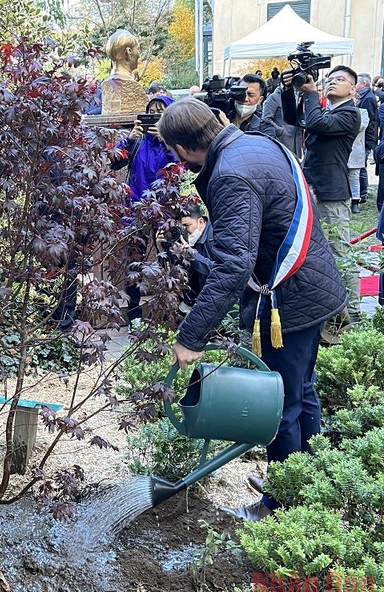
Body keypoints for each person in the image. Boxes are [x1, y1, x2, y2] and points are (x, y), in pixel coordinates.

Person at [158, 98, 346, 521]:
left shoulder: (230, 175)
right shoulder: (254, 143)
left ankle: (281, 506)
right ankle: (306, 479)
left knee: (280, 404)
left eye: (174, 154)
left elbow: (234, 263)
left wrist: (191, 335)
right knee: (301, 391)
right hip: (309, 287)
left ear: (184, 150)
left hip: (290, 297)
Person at [284, 65, 361, 323]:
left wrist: (311, 93)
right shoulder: (327, 110)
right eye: (329, 79)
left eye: (339, 79)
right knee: (315, 248)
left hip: (332, 192)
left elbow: (315, 122)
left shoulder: (351, 114)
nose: (331, 82)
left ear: (352, 88)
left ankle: (354, 310)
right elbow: (294, 120)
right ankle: (329, 306)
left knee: (339, 248)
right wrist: (290, 90)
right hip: (312, 187)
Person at [113, 95, 178, 323]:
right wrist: (128, 140)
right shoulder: (138, 140)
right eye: (152, 112)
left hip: (164, 210)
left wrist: (166, 141)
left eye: (161, 113)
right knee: (135, 260)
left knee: (169, 258)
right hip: (136, 207)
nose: (155, 117)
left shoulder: (174, 141)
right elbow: (115, 161)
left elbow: (179, 169)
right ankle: (133, 313)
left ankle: (171, 310)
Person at [178, 204, 214, 310]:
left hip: (217, 301)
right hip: (197, 300)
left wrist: (192, 254)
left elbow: (218, 270)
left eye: (187, 226)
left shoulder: (215, 236)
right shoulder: (187, 239)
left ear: (201, 222)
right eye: (181, 227)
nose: (184, 231)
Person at [259, 83, 303, 158]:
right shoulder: (274, 97)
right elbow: (266, 119)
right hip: (282, 142)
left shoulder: (297, 95)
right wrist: (281, 131)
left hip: (296, 142)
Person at [355, 73, 380, 204]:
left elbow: (367, 121)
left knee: (361, 166)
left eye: (357, 82)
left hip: (365, 138)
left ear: (363, 84)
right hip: (364, 138)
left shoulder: (368, 98)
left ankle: (363, 194)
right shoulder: (364, 96)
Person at [348, 102, 370, 214]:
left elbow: (360, 126)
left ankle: (355, 201)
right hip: (338, 151)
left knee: (354, 177)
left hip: (355, 150)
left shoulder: (362, 112)